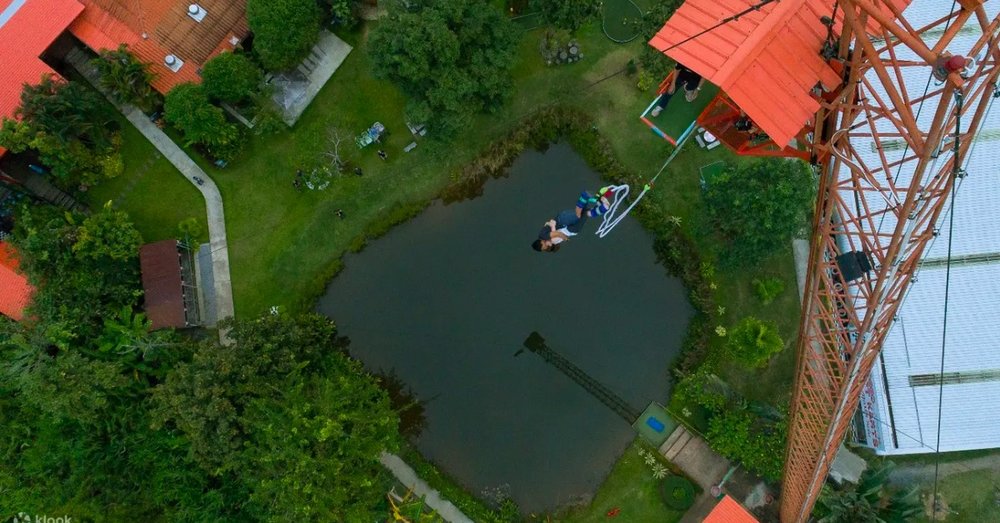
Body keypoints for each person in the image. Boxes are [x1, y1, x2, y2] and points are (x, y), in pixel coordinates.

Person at [532, 188, 614, 253]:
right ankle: (599, 201)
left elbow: (557, 233)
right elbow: (548, 224)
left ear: (541, 243)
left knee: (579, 215)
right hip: (564, 222)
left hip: (563, 221)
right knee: (585, 213)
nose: (546, 246)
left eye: (544, 247)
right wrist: (550, 224)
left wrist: (565, 238)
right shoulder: (544, 235)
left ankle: (585, 197)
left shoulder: (545, 237)